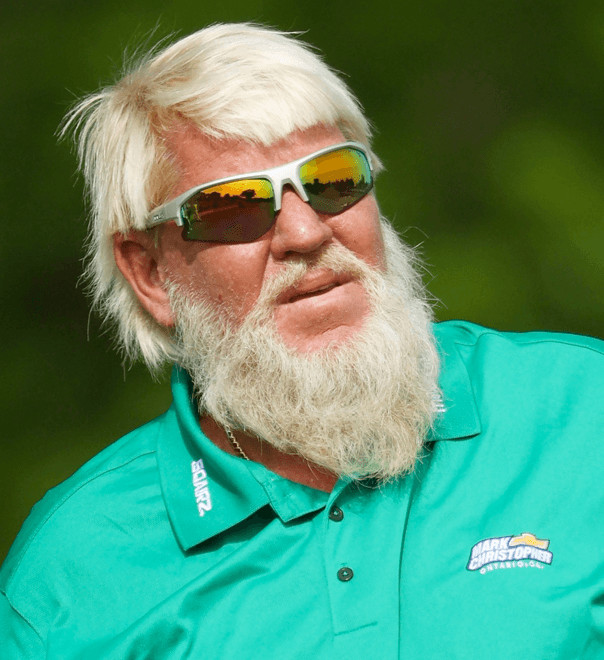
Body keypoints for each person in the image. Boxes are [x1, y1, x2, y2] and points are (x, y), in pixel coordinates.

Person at [2, 22, 603, 660]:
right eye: (234, 205)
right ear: (150, 273)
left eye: (333, 178)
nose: (307, 233)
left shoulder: (581, 413)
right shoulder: (69, 578)